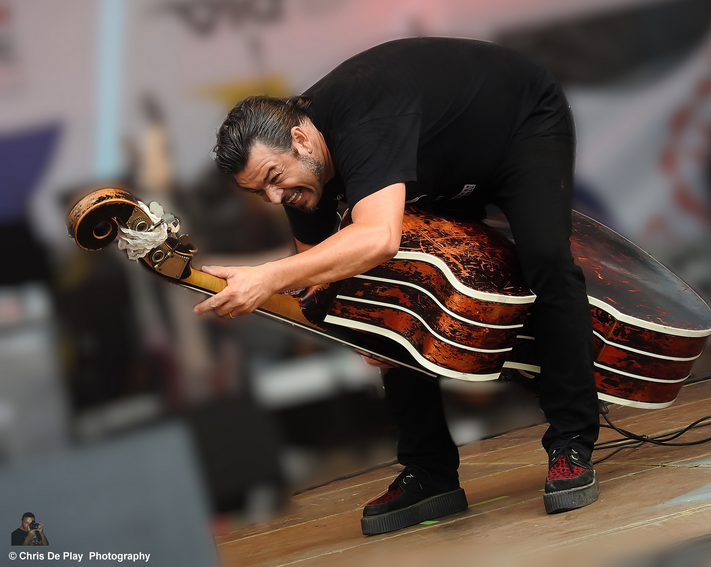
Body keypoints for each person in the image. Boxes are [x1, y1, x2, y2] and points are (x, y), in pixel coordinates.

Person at [194, 37, 601, 534]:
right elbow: (324, 281)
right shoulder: (302, 181)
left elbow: (378, 239)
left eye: (274, 178)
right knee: (379, 295)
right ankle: (430, 471)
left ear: (301, 139)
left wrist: (268, 275)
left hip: (518, 125)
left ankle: (572, 441)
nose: (275, 198)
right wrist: (362, 329)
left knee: (546, 259)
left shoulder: (362, 118)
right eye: (260, 192)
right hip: (439, 167)